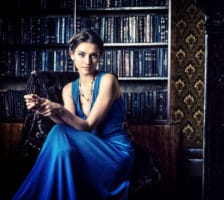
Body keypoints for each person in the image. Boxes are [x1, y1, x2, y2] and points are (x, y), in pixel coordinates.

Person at [13, 29, 135, 200]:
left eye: (94, 55)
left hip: (114, 151)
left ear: (100, 56)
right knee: (59, 135)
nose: (87, 61)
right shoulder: (69, 89)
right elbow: (69, 125)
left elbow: (88, 125)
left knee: (58, 133)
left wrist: (59, 109)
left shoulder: (108, 80)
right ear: (72, 54)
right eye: (81, 54)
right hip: (87, 147)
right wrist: (44, 109)